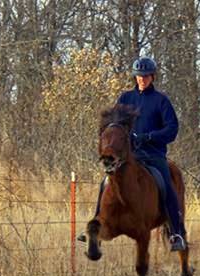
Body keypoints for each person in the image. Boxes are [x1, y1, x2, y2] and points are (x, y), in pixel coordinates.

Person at [78, 56, 186, 251]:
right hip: (129, 156)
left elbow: (172, 129)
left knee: (166, 185)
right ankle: (96, 224)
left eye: (145, 76)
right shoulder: (126, 98)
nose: (141, 80)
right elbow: (114, 124)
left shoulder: (161, 101)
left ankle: (176, 232)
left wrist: (148, 137)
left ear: (152, 77)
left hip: (153, 155)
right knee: (105, 183)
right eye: (138, 76)